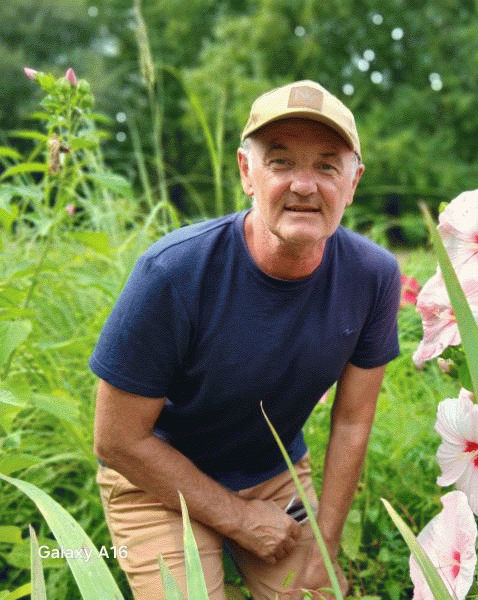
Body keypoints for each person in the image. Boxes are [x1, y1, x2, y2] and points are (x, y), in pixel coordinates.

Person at [90, 80, 401, 600]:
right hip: (155, 482)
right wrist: (236, 518)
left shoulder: (373, 275)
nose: (305, 185)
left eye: (327, 166)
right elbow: (117, 440)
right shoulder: (173, 273)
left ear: (354, 182)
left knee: (314, 594)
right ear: (246, 173)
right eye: (281, 163)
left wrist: (325, 541)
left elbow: (351, 421)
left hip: (273, 472)